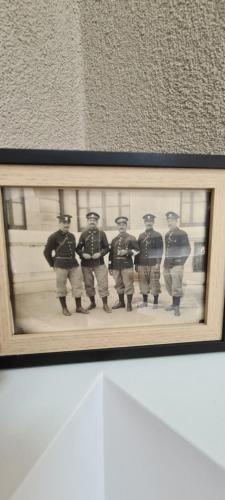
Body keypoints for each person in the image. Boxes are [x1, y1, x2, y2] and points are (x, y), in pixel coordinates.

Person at [43, 215, 88, 316]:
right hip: (61, 265)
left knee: (77, 286)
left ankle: (79, 307)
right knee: (61, 288)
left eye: (68, 223)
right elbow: (46, 252)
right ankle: (64, 308)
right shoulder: (53, 237)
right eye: (64, 223)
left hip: (73, 265)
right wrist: (52, 264)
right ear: (59, 224)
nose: (66, 225)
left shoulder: (71, 236)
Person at [76, 212, 111, 313]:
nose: (92, 222)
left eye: (94, 220)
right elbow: (78, 249)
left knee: (103, 284)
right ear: (87, 222)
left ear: (97, 222)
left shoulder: (102, 234)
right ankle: (93, 303)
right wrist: (83, 254)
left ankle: (105, 304)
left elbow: (107, 248)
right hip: (86, 264)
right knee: (88, 284)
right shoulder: (83, 234)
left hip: (99, 263)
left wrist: (100, 254)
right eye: (90, 220)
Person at [109, 216, 139, 312]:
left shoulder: (131, 238)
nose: (121, 226)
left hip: (127, 265)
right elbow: (111, 254)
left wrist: (126, 252)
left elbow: (137, 251)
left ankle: (129, 304)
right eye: (119, 224)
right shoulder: (114, 240)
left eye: (123, 224)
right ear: (117, 226)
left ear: (126, 225)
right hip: (116, 266)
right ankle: (121, 302)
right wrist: (110, 266)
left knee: (128, 284)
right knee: (118, 284)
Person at [163, 211, 191, 316]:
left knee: (176, 285)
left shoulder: (182, 233)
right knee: (168, 284)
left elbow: (187, 249)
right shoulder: (167, 234)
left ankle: (177, 306)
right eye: (168, 220)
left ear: (176, 221)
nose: (170, 222)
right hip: (167, 264)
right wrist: (165, 263)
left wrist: (180, 261)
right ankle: (173, 303)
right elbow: (167, 250)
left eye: (172, 220)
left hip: (177, 264)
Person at [135, 213, 163, 308]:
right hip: (142, 263)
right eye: (147, 221)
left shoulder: (157, 235)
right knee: (143, 282)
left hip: (153, 263)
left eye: (150, 221)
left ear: (153, 222)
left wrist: (158, 262)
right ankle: (145, 302)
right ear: (144, 222)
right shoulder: (141, 235)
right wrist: (136, 264)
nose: (149, 223)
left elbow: (160, 250)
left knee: (154, 282)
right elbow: (137, 250)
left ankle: (155, 303)